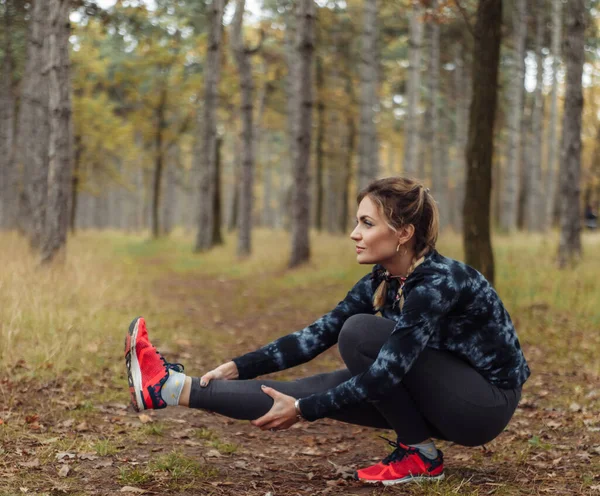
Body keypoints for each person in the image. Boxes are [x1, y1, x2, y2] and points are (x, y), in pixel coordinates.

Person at [124, 177, 530, 486]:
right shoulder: (384, 278)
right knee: (312, 386)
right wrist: (237, 366)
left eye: (367, 223)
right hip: (441, 392)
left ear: (403, 233)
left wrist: (305, 413)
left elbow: (386, 371)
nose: (354, 234)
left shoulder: (438, 282)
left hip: (482, 405)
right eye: (357, 222)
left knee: (359, 335)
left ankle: (419, 456)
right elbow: (314, 337)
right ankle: (169, 389)